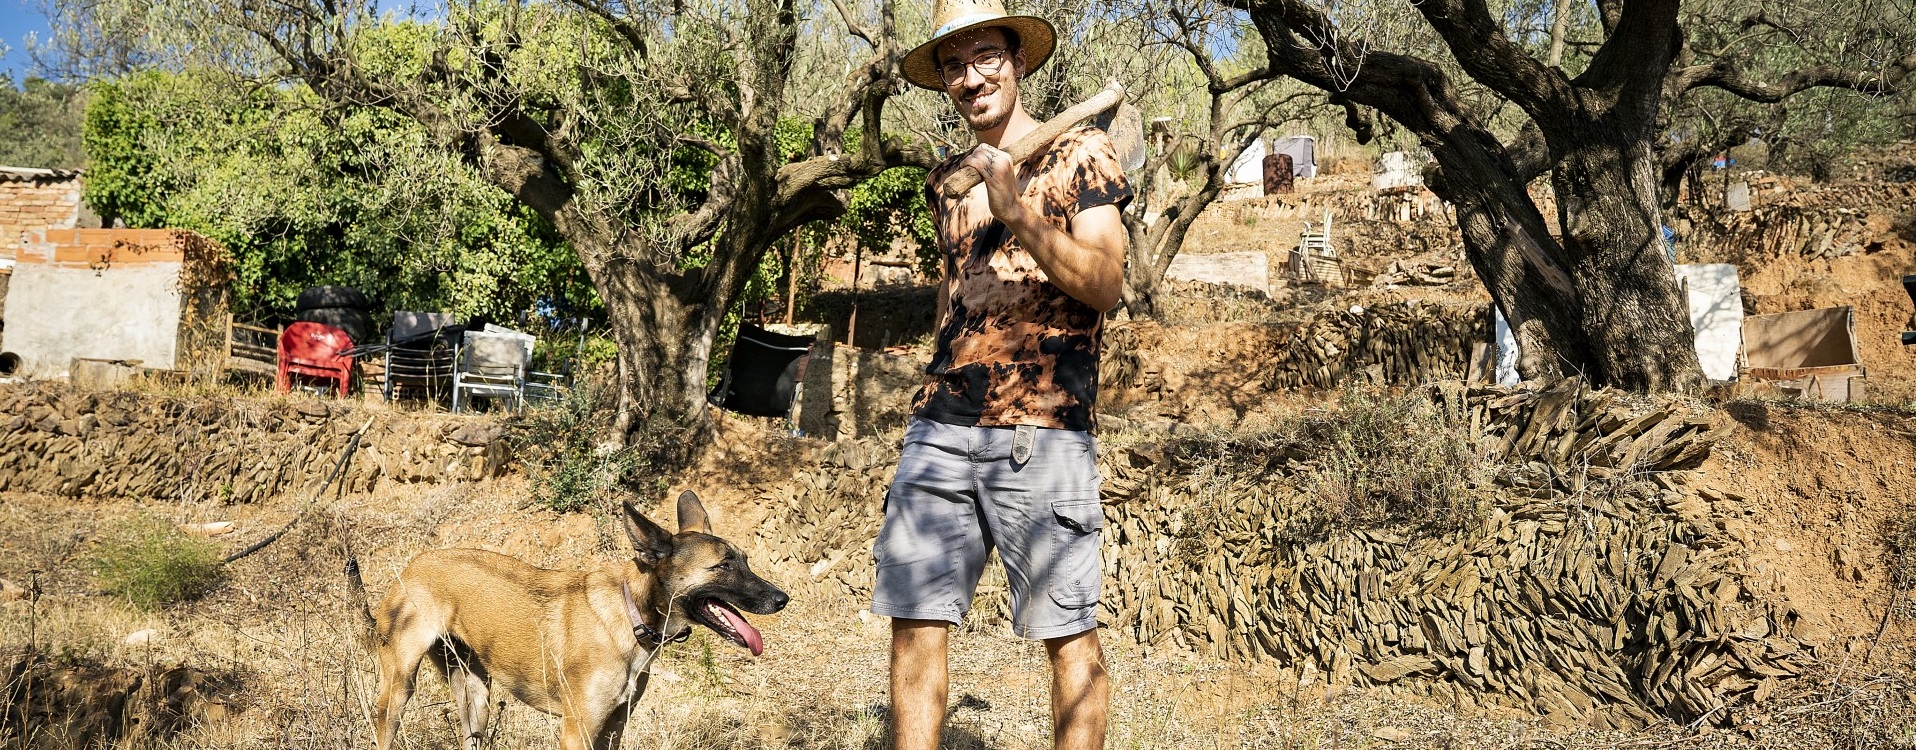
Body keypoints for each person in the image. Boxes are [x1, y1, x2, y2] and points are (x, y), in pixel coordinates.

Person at [872, 1, 1130, 749]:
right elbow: (954, 299)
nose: (969, 76)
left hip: (1042, 428)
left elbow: (1106, 283)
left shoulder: (1083, 152)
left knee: (1068, 637)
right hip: (941, 426)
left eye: (985, 56)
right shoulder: (947, 181)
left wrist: (1015, 209)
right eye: (953, 64)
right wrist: (927, 387)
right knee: (913, 626)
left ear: (1018, 62)